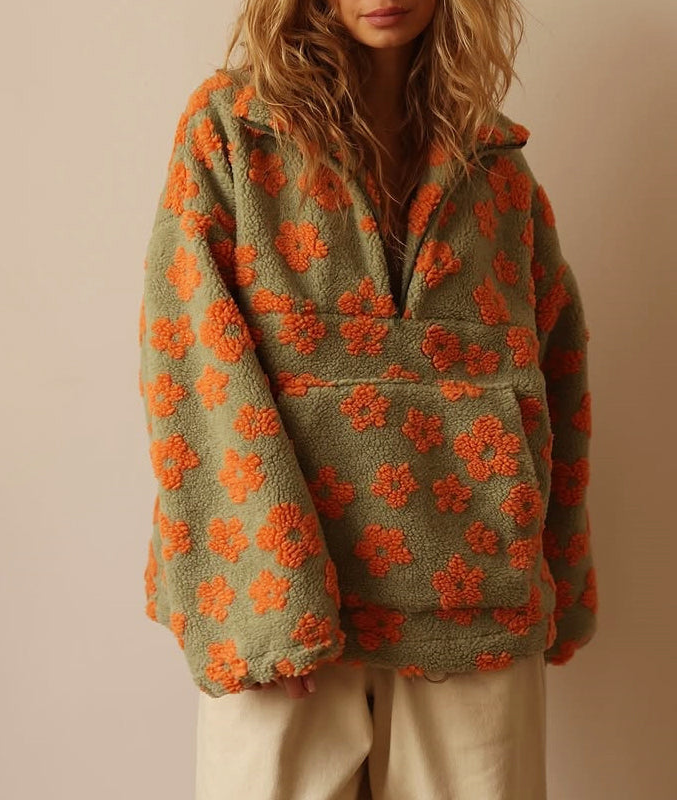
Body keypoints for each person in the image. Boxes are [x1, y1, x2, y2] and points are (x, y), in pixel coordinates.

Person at [137, 0, 598, 796]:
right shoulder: (235, 130)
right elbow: (190, 357)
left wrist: (557, 574)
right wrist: (265, 600)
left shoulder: (498, 167)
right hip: (281, 603)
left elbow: (555, 372)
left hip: (476, 601)